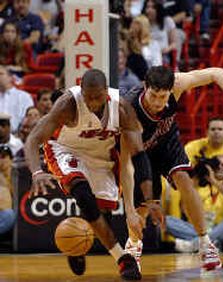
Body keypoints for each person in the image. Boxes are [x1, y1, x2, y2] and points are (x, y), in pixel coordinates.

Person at [24, 69, 150, 281]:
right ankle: (123, 259)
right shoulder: (67, 104)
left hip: (101, 156)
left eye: (97, 97)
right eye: (88, 97)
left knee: (103, 217)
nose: (92, 102)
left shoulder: (122, 108)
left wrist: (149, 198)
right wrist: (37, 172)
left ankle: (77, 248)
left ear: (106, 93)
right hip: (65, 149)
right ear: (81, 92)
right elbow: (33, 139)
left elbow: (139, 155)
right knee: (82, 194)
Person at [123, 66, 223, 272]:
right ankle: (133, 246)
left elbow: (217, 73)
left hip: (167, 143)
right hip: (141, 153)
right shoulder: (128, 109)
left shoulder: (178, 83)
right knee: (142, 207)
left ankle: (206, 244)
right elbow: (126, 165)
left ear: (171, 90)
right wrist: (128, 210)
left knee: (184, 178)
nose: (158, 103)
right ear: (145, 87)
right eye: (153, 96)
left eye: (163, 97)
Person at [166, 155, 223, 252]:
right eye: (217, 165)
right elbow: (185, 210)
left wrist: (214, 181)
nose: (220, 167)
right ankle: (211, 243)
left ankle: (194, 245)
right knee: (167, 220)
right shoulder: (199, 187)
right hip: (200, 229)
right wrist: (195, 180)